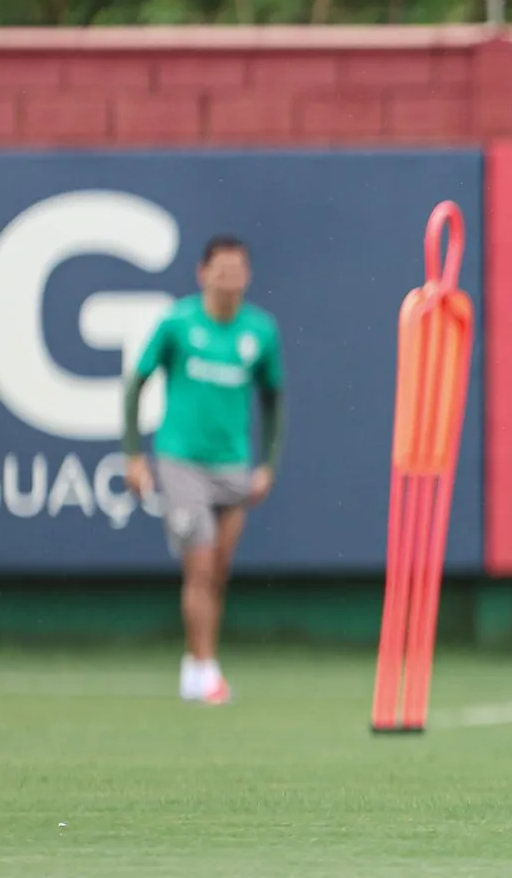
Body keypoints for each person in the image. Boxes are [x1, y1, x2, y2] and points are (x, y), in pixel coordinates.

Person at [122, 234, 286, 706]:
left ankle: (195, 663)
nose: (230, 278)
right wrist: (135, 455)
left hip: (233, 464)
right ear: (203, 273)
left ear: (248, 276)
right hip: (181, 461)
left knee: (218, 568)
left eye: (238, 270)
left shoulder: (261, 332)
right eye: (221, 269)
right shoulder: (178, 324)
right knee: (199, 564)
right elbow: (137, 382)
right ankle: (204, 668)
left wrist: (267, 465)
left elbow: (274, 398)